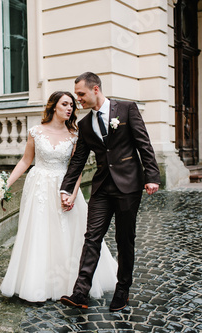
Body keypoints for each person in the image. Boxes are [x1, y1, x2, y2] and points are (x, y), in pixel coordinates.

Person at [0, 91, 118, 303]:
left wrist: (71, 194)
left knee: (70, 232)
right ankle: (37, 283)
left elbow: (78, 168)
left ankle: (69, 283)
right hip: (39, 187)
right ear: (54, 106)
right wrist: (4, 186)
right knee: (39, 232)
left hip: (65, 184)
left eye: (72, 105)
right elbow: (26, 161)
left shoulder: (75, 134)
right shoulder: (35, 132)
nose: (69, 108)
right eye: (65, 104)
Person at [59, 72, 160, 312]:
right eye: (76, 95)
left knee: (124, 239)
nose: (78, 100)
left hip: (128, 185)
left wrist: (151, 176)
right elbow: (78, 161)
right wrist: (65, 187)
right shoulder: (84, 125)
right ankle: (80, 292)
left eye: (81, 94)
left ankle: (122, 290)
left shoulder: (126, 109)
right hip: (102, 187)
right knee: (92, 237)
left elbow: (143, 144)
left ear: (96, 89)